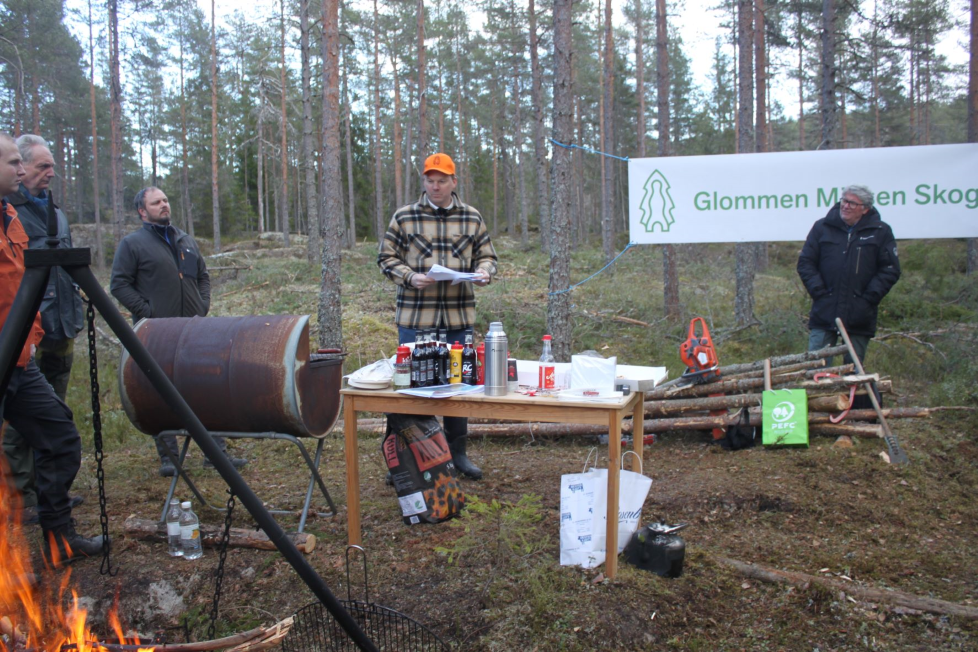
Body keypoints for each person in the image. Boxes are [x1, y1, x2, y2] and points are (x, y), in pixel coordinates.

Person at [0, 131, 106, 565]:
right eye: (13, 164)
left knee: (60, 436)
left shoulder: (12, 217)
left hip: (20, 362)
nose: (21, 172)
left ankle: (58, 540)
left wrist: (36, 332)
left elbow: (26, 284)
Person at [110, 186, 246, 476]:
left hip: (196, 330)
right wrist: (148, 313)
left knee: (206, 388)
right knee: (159, 391)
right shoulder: (132, 244)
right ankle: (170, 458)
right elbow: (119, 285)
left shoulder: (185, 240)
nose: (164, 205)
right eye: (156, 202)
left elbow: (204, 276)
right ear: (142, 211)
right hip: (157, 333)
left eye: (166, 200)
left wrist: (203, 305)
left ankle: (216, 453)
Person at [377, 153, 498, 479]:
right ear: (425, 182)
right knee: (409, 390)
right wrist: (410, 277)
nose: (435, 186)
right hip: (417, 318)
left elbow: (488, 256)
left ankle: (457, 454)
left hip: (458, 318)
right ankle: (401, 459)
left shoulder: (472, 218)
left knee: (457, 388)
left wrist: (484, 272)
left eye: (442, 180)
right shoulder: (404, 217)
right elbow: (386, 258)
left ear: (453, 182)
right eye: (430, 180)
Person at [797, 184, 901, 365]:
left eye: (852, 203)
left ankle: (851, 394)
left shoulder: (880, 231)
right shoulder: (822, 227)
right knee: (816, 367)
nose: (846, 206)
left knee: (854, 371)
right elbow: (806, 263)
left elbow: (890, 269)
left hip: (859, 314)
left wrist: (868, 298)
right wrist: (819, 292)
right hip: (825, 311)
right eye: (844, 201)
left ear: (865, 209)